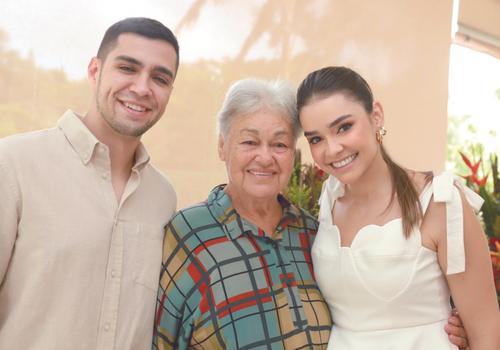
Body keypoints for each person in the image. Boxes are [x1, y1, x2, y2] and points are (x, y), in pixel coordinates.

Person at [152, 78, 469, 349]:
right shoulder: (188, 234)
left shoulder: (315, 233)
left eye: (279, 144)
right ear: (222, 146)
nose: (265, 157)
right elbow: (161, 338)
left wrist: (448, 324)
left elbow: (369, 309)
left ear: (293, 154)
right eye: (249, 141)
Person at [0, 18, 179, 349]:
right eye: (127, 68)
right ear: (95, 71)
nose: (142, 88)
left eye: (160, 78)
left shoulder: (163, 198)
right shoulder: (13, 165)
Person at [296, 66, 500, 349]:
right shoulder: (328, 200)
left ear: (376, 116)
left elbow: (486, 333)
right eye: (316, 139)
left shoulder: (439, 202)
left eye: (344, 127)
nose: (332, 149)